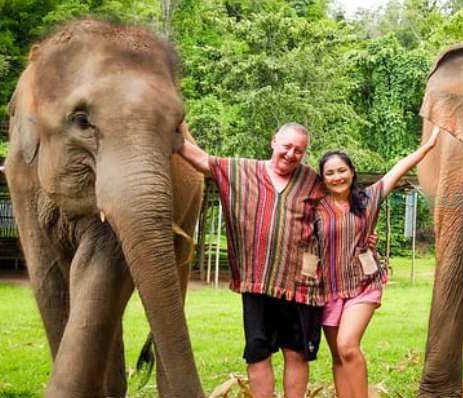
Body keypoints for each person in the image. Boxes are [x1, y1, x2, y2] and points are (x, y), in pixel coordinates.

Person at [178, 122, 324, 398]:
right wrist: (167, 129)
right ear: (274, 142)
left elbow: (342, 207)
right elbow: (201, 160)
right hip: (257, 282)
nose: (291, 154)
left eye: (299, 151)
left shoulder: (313, 180)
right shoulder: (243, 171)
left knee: (297, 353)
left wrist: (365, 236)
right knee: (258, 353)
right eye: (287, 146)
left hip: (301, 284)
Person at [315, 124, 441, 398]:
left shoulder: (368, 199)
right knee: (337, 355)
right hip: (328, 289)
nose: (337, 177)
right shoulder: (315, 208)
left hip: (364, 284)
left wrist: (429, 145)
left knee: (348, 345)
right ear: (322, 178)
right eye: (330, 173)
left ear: (351, 172)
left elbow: (398, 169)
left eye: (342, 170)